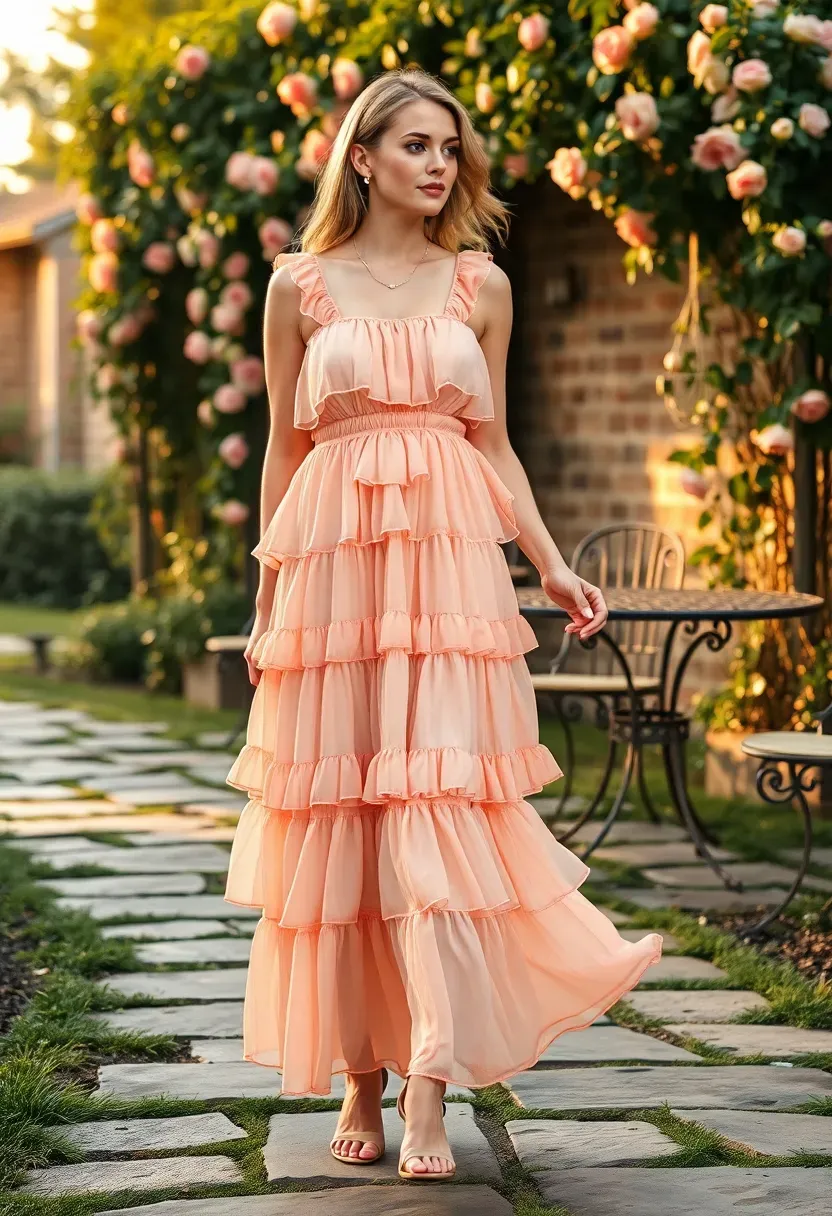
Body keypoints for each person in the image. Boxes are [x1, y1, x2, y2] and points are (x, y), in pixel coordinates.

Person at [223, 66, 662, 1183]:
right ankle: (359, 1071)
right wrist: (269, 587)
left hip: (451, 580)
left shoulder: (482, 285)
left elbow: (493, 443)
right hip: (334, 579)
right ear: (360, 157)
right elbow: (285, 444)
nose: (440, 164)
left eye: (449, 149)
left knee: (433, 807)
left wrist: (553, 566)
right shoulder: (299, 286)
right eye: (416, 144)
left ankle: (428, 1077)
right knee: (348, 817)